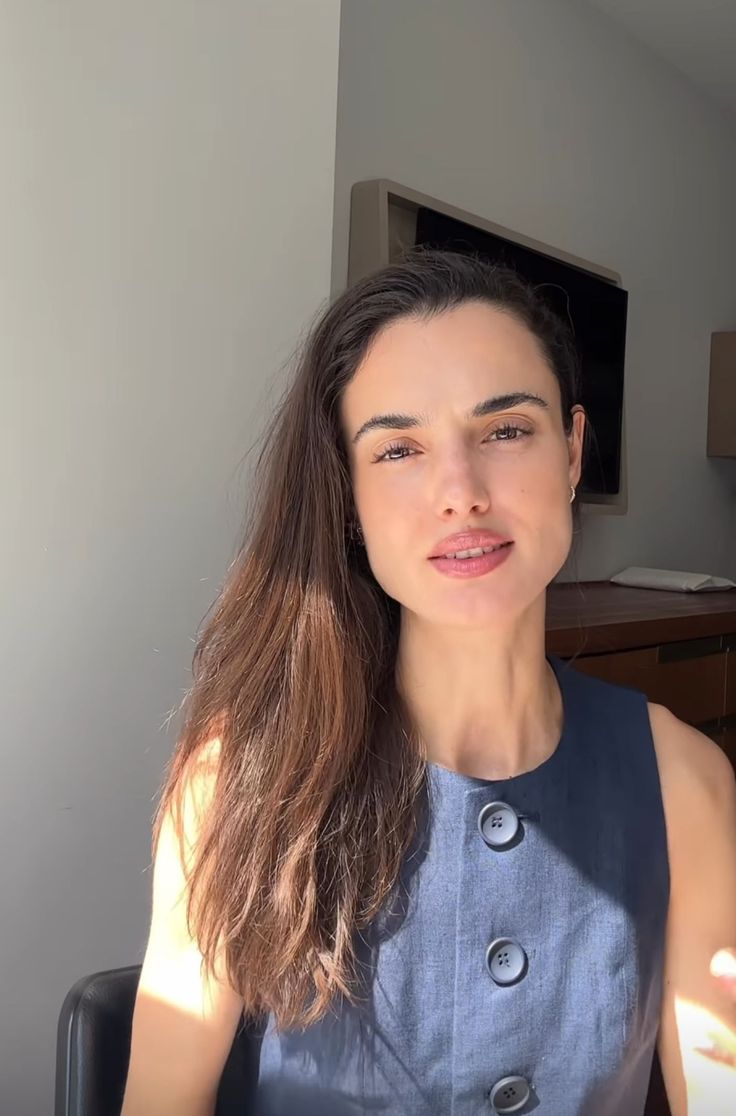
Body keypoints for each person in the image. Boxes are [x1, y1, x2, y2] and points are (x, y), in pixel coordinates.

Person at [121, 248, 736, 1116]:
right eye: (399, 449)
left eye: (508, 430)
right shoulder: (235, 782)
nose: (461, 492)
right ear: (349, 501)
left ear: (572, 452)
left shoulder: (687, 785)